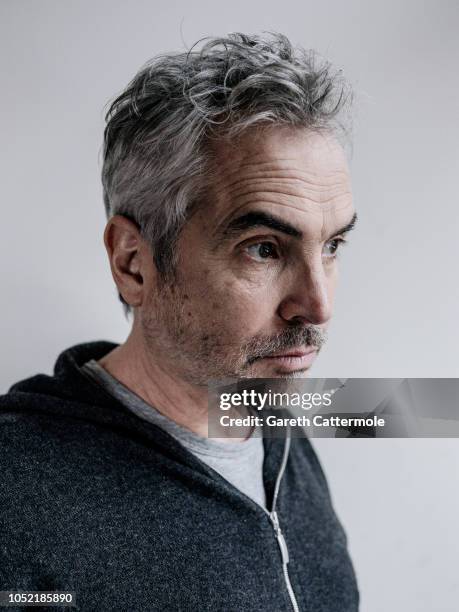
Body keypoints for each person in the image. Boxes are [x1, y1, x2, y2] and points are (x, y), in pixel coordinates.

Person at [0, 33, 359, 611]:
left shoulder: (278, 428)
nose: (318, 307)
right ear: (133, 262)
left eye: (333, 245)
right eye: (264, 248)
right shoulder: (18, 494)